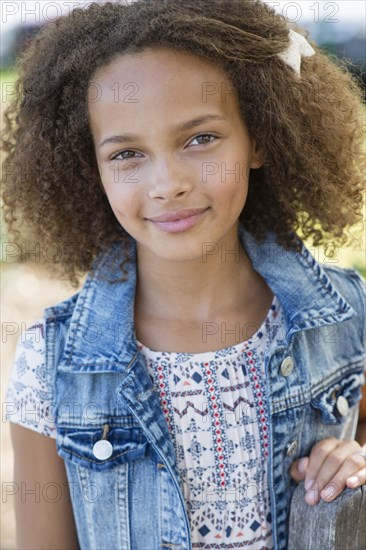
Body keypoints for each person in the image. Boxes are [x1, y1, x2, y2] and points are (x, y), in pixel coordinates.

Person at [2, 0, 366, 549]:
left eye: (200, 139)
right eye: (127, 153)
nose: (167, 183)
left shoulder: (348, 313)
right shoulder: (52, 364)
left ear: (259, 139)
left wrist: (355, 462)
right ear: (91, 170)